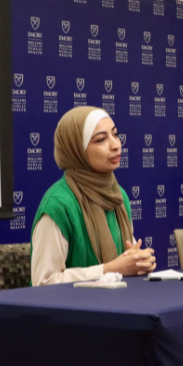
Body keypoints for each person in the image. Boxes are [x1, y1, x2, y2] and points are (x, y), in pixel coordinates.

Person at [31, 107, 156, 285]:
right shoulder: (58, 205)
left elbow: (125, 261)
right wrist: (110, 269)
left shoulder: (118, 196)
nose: (116, 145)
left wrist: (139, 262)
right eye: (101, 140)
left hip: (117, 305)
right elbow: (43, 283)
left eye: (115, 135)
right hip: (68, 311)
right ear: (77, 150)